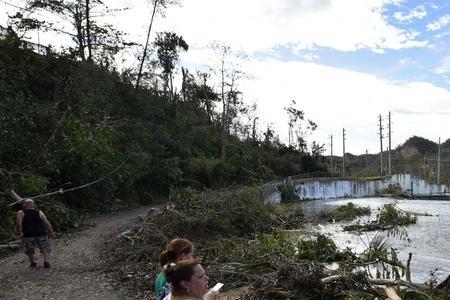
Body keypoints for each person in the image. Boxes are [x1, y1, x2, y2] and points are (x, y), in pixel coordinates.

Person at [15, 198, 55, 268]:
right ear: (33, 205)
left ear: (25, 205)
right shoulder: (39, 212)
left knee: (29, 249)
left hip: (28, 234)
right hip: (41, 233)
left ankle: (33, 262)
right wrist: (51, 232)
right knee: (45, 247)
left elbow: (19, 224)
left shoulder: (21, 212)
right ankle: (46, 261)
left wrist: (19, 233)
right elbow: (46, 223)